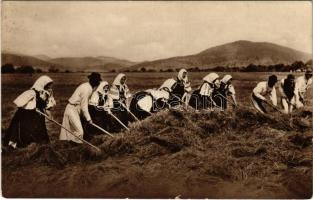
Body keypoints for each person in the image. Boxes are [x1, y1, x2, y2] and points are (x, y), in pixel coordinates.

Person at [4, 75, 56, 148]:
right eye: (47, 85)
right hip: (27, 115)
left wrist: (50, 116)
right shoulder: (31, 92)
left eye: (49, 86)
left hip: (39, 116)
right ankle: (20, 144)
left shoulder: (46, 94)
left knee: (39, 130)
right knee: (26, 130)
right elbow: (20, 103)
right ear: (42, 84)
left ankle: (39, 145)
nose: (48, 87)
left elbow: (46, 106)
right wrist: (33, 108)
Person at [59, 72, 101, 143]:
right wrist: (89, 119)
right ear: (95, 82)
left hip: (75, 109)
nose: (98, 83)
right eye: (97, 81)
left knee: (74, 130)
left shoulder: (87, 86)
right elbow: (84, 106)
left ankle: (71, 145)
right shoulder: (87, 89)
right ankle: (76, 147)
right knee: (79, 131)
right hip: (72, 109)